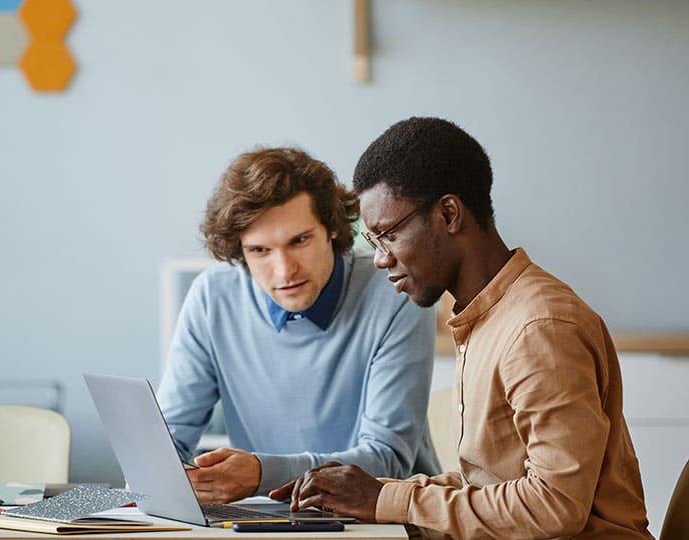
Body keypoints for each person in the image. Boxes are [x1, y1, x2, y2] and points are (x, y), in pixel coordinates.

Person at [271, 118, 652, 538]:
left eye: (387, 236)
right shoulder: (490, 317)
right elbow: (491, 490)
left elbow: (554, 504)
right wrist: (372, 493)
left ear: (448, 214)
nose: (380, 259)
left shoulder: (539, 328)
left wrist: (385, 500)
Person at [157, 146, 441, 505]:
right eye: (260, 251)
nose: (284, 270)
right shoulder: (212, 298)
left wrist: (262, 474)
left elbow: (387, 461)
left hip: (383, 519)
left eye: (299, 241)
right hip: (267, 520)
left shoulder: (396, 292)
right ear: (239, 252)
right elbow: (167, 441)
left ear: (332, 231)